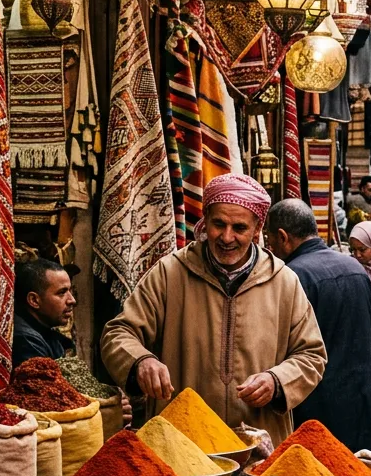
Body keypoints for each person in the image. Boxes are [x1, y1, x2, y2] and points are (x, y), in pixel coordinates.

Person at [101, 174, 327, 443]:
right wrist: (141, 361)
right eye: (219, 224)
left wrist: (277, 381)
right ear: (205, 219)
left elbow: (312, 354)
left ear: (257, 228)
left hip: (258, 442)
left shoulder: (283, 281)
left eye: (239, 228)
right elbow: (118, 333)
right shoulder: (170, 273)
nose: (227, 237)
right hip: (181, 441)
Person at [266, 201, 371, 452]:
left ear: (283, 237)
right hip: (363, 396)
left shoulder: (292, 276)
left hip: (319, 406)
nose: (270, 248)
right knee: (362, 471)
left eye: (270, 240)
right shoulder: (354, 267)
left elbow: (284, 350)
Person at [13, 258, 75, 367]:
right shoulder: (26, 340)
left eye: (70, 291)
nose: (72, 300)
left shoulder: (45, 331)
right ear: (34, 300)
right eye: (62, 292)